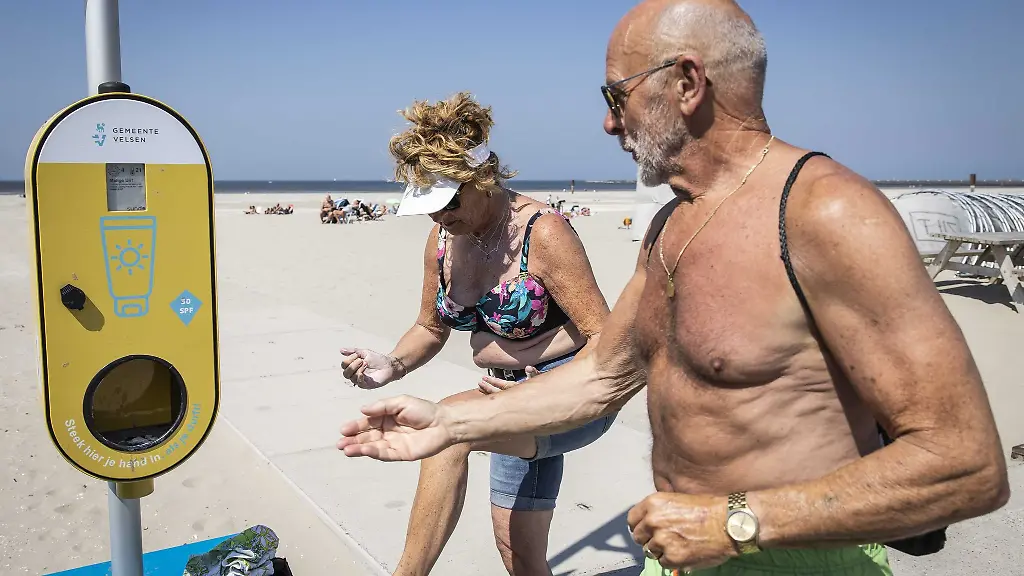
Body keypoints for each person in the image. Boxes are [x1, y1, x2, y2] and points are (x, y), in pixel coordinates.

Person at [337, 1, 1010, 575]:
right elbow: (603, 373)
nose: (608, 124)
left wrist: (739, 524)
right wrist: (448, 421)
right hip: (682, 555)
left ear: (687, 82)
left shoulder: (827, 213)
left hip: (799, 560)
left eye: (615, 96)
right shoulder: (671, 227)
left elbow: (966, 461)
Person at [338, 91, 616, 575]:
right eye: (429, 206)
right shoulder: (443, 239)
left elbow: (607, 340)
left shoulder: (543, 232)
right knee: (519, 553)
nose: (439, 216)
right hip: (502, 395)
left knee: (447, 427)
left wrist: (542, 391)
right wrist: (393, 364)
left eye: (449, 203)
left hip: (570, 391)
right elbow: (430, 326)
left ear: (482, 178)